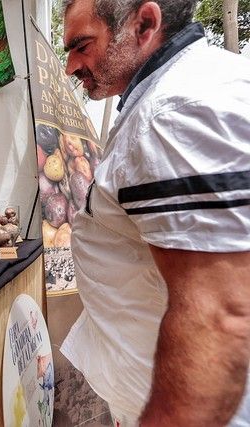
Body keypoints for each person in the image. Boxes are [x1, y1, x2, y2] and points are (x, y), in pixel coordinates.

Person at [59, 0, 250, 426]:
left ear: (143, 24)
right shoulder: (176, 94)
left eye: (82, 46)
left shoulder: (173, 114)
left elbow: (220, 318)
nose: (71, 66)